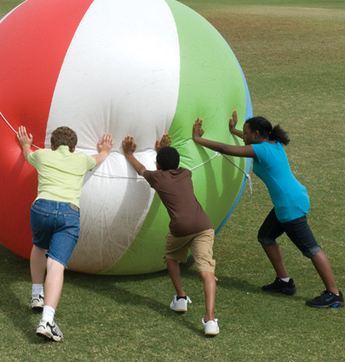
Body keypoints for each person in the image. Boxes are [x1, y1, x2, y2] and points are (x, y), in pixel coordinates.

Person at [192, 111, 343, 309]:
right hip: (291, 200)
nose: (243, 136)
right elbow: (249, 141)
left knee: (311, 249)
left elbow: (223, 148)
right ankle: (284, 282)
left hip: (290, 206)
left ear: (256, 134)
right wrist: (233, 130)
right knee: (265, 236)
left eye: (245, 133)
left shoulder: (260, 150)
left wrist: (198, 138)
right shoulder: (273, 144)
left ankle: (334, 294)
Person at [17, 125, 113, 341]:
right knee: (56, 264)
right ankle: (47, 320)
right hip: (69, 214)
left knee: (39, 245)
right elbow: (98, 158)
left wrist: (24, 144)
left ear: (52, 145)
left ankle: (35, 295)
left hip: (41, 208)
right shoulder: (80, 159)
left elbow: (27, 154)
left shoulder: (42, 155)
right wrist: (105, 150)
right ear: (73, 147)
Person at [122, 133, 219, 336]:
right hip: (203, 226)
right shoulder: (185, 173)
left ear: (158, 165)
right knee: (207, 272)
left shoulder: (157, 177)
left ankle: (181, 297)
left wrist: (128, 153)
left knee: (171, 257)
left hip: (180, 229)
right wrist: (162, 152)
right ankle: (210, 320)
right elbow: (169, 167)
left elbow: (140, 170)